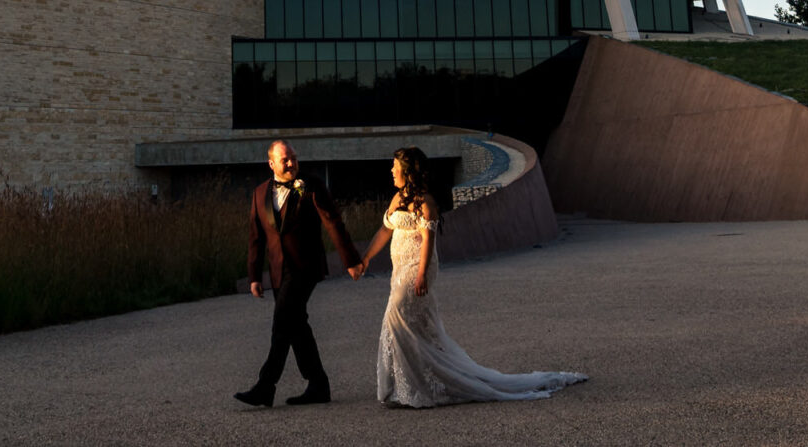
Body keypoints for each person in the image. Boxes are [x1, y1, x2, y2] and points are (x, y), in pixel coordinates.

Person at [352, 146, 587, 408]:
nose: (391, 170)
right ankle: (405, 385)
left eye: (395, 167)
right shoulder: (397, 198)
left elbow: (428, 241)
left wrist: (421, 275)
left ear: (407, 172)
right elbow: (384, 231)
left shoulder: (426, 202)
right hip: (399, 269)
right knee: (406, 325)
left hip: (417, 267)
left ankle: (418, 386)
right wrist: (366, 258)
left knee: (397, 316)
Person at [236, 138, 363, 408]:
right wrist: (254, 276)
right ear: (271, 163)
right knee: (296, 326)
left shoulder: (311, 184)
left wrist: (351, 260)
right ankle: (318, 384)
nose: (291, 163)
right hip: (278, 272)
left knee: (282, 322)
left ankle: (265, 386)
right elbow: (256, 238)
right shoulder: (259, 193)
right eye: (285, 160)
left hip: (306, 268)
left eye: (294, 158)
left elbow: (333, 221)